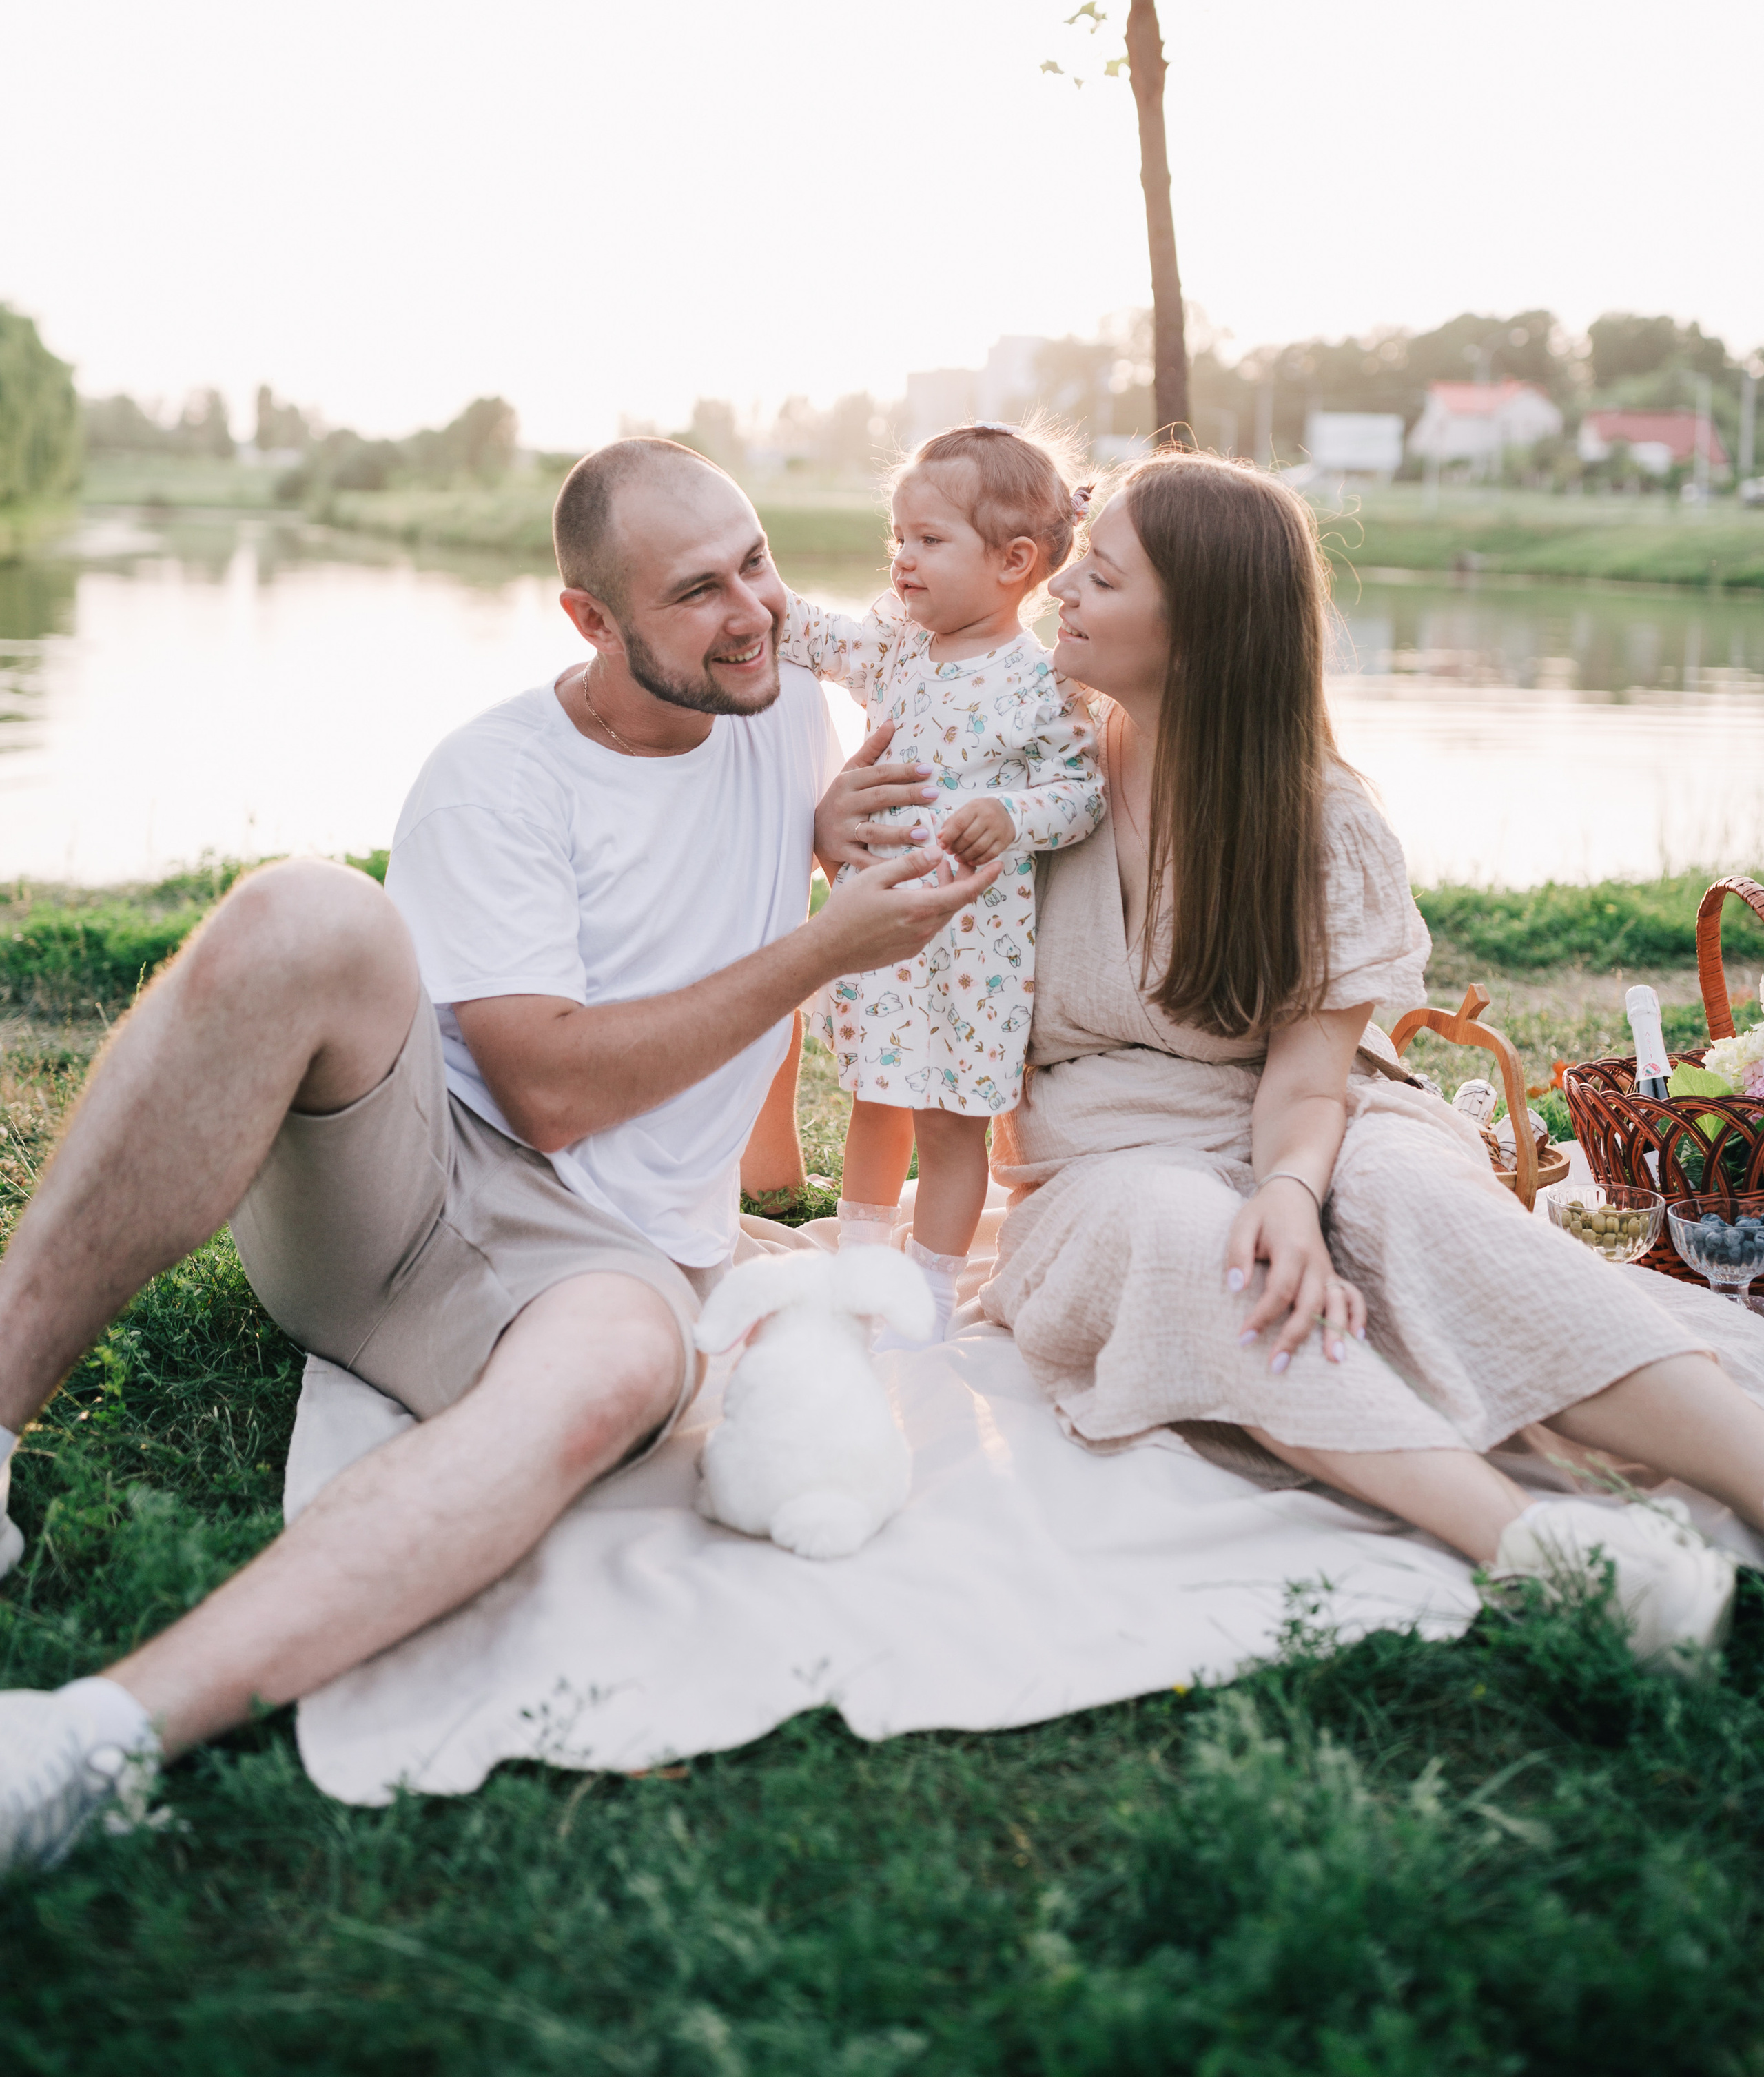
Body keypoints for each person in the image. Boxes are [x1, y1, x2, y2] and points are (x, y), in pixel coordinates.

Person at [0, 439, 990, 1872]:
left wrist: (830, 835)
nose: (754, 611)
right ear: (590, 620)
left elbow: (776, 835)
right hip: (396, 1196)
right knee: (303, 912)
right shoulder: (496, 777)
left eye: (758, 561)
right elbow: (548, 1095)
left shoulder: (780, 708)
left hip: (609, 1263)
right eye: (697, 591)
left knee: (618, 1370)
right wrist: (819, 949)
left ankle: (93, 1738)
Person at [980, 450, 1762, 1657]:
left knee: (1421, 1204)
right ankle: (1541, 1550)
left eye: (1102, 573)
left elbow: (1307, 1080)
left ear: (1199, 628)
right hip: (1108, 1153)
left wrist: (1293, 1191)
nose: (1058, 589)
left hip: (1317, 1109)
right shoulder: (1030, 762)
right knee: (1193, 1240)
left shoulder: (1321, 820)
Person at [781, 425, 1104, 1340]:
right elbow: (818, 636)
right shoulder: (896, 647)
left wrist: (1013, 814)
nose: (903, 558)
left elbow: (1081, 792)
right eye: (898, 536)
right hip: (882, 931)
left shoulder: (1040, 684)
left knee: (953, 1120)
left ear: (1014, 562)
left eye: (929, 539)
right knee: (877, 1100)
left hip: (976, 952)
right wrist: (756, 589)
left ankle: (925, 1293)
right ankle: (859, 1272)